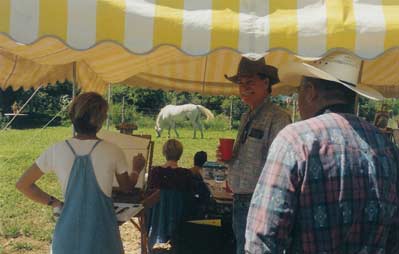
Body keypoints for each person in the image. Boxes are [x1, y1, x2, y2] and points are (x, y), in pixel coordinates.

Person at [245, 52, 399, 254]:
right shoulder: (387, 148)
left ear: (310, 92)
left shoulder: (295, 141)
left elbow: (263, 238)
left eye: (299, 91)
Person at [16, 92, 146, 254]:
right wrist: (136, 169)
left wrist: (55, 203)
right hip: (102, 235)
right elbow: (127, 188)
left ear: (72, 116)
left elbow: (23, 184)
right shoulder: (112, 151)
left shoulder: (57, 150)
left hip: (67, 238)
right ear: (100, 120)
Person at [217, 56, 291, 254]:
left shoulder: (278, 117)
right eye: (240, 83)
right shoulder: (246, 116)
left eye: (249, 82)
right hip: (240, 198)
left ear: (266, 82)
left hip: (259, 199)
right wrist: (229, 158)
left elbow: (281, 165)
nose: (243, 88)